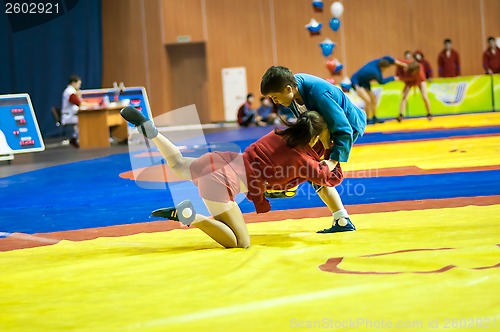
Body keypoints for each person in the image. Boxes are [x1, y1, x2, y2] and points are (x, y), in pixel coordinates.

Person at [121, 106, 350, 249]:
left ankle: (154, 133)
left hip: (221, 160)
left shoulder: (278, 133)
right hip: (221, 182)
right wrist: (333, 154)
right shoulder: (305, 161)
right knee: (239, 242)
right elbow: (329, 178)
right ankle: (189, 215)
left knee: (179, 163)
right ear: (313, 139)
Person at [260, 65, 366, 233]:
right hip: (324, 126)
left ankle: (341, 219)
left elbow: (343, 128)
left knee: (316, 170)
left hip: (345, 126)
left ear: (288, 88)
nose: (275, 102)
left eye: (275, 97)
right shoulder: (293, 88)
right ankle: (341, 220)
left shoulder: (318, 93)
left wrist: (333, 160)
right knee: (306, 162)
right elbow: (310, 122)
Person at [350, 56, 405, 124]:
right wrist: (393, 78)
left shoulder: (378, 61)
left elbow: (388, 58)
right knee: (368, 100)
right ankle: (367, 119)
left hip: (364, 82)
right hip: (356, 82)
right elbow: (381, 82)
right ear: (383, 68)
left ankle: (374, 117)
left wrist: (402, 64)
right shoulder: (376, 73)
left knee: (373, 99)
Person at [61, 75, 96, 148]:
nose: (79, 86)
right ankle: (83, 140)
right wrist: (92, 104)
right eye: (78, 84)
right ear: (73, 83)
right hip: (69, 116)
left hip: (71, 114)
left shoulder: (72, 91)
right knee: (85, 120)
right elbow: (79, 103)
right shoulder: (70, 92)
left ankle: (75, 138)